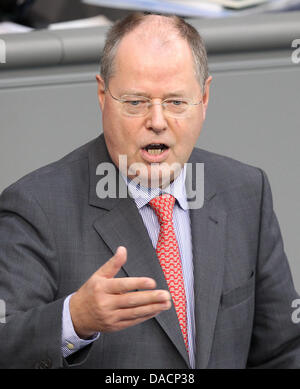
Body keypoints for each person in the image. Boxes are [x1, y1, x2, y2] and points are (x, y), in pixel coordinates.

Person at [0, 12, 299, 369]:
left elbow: (282, 351)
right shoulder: (36, 207)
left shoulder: (246, 191)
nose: (157, 122)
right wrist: (74, 320)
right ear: (102, 95)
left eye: (175, 102)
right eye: (136, 102)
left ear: (204, 99)